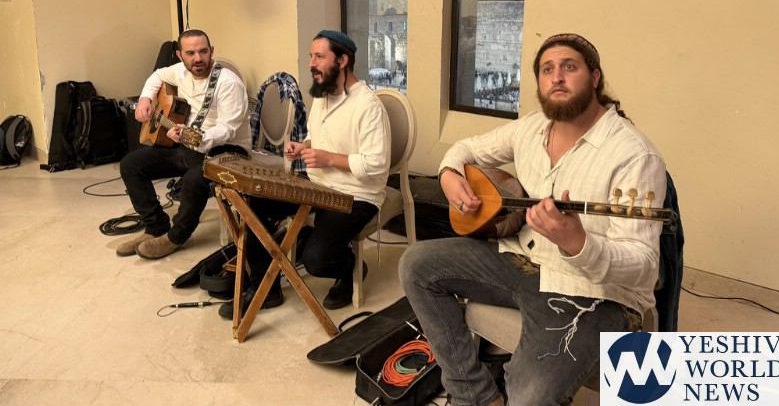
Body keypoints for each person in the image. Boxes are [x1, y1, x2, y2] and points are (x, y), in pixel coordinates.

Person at [399, 33, 667, 406]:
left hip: (593, 291)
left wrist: (578, 243)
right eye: (547, 69)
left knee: (529, 397)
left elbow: (644, 267)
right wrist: (449, 175)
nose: (557, 77)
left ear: (595, 78)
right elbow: (466, 148)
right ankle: (473, 394)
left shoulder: (635, 155)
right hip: (523, 260)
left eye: (569, 67)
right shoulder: (531, 127)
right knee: (416, 264)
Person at [218, 30, 390, 319]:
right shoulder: (323, 95)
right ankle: (265, 287)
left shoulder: (368, 105)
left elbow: (376, 164)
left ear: (343, 61)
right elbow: (316, 136)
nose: (312, 64)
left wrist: (328, 158)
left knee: (316, 261)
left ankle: (350, 266)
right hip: (316, 184)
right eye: (312, 56)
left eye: (319, 57)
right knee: (252, 205)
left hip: (356, 195)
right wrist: (304, 147)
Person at [116, 29, 251, 260]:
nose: (198, 58)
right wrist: (146, 98)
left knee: (193, 180)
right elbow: (157, 76)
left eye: (203, 51)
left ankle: (175, 237)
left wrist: (194, 137)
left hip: (226, 150)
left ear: (211, 51)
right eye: (190, 53)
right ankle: (155, 226)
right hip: (187, 145)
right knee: (131, 165)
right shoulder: (178, 72)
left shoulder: (228, 83)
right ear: (180, 55)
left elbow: (228, 128)